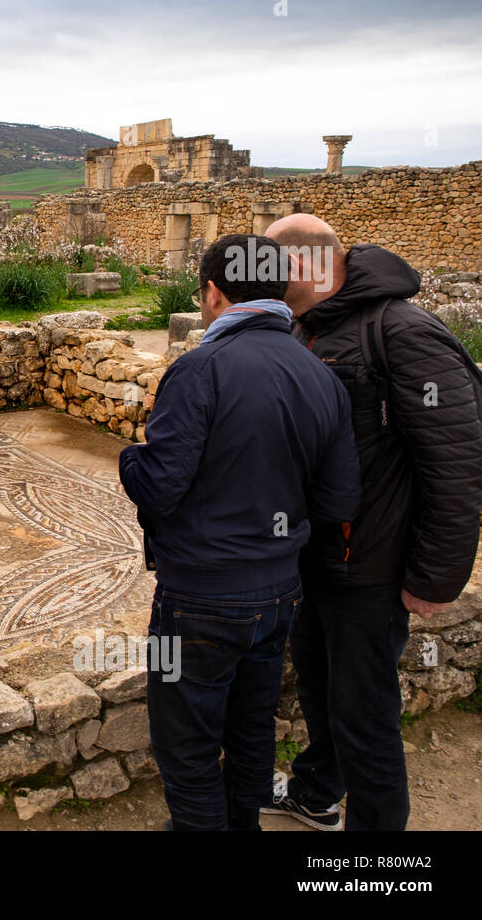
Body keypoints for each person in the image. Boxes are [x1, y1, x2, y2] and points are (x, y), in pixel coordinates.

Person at [118, 233, 360, 831]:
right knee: (252, 728)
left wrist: (131, 458)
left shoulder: (200, 369)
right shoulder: (319, 372)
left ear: (214, 293)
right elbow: (338, 499)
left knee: (187, 742)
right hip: (279, 592)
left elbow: (159, 486)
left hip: (200, 596)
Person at [264, 214, 482, 831]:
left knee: (364, 714)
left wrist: (435, 577)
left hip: (372, 567)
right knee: (320, 689)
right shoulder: (308, 330)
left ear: (303, 265)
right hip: (315, 557)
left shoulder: (404, 332)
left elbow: (457, 463)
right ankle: (315, 793)